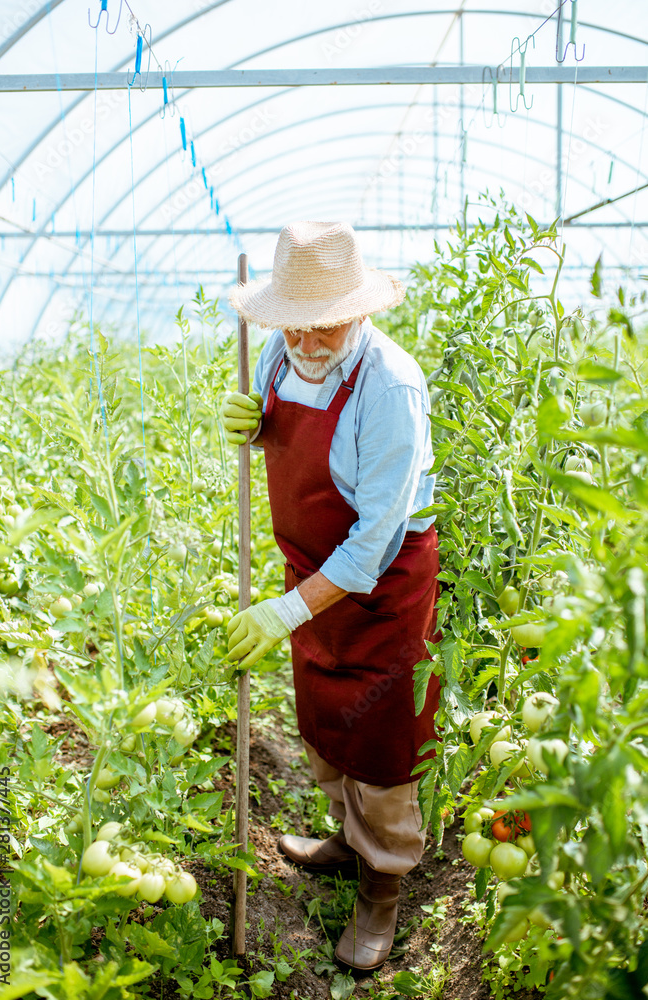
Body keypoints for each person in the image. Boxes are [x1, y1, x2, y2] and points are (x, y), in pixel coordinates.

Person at [222, 221, 441, 974]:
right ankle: (345, 839)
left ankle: (380, 888)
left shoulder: (389, 388)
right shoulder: (278, 357)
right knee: (321, 719)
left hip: (380, 588)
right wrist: (251, 426)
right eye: (295, 326)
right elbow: (282, 435)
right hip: (312, 569)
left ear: (358, 309)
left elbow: (373, 541)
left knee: (382, 745)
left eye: (327, 325)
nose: (308, 343)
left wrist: (286, 610)